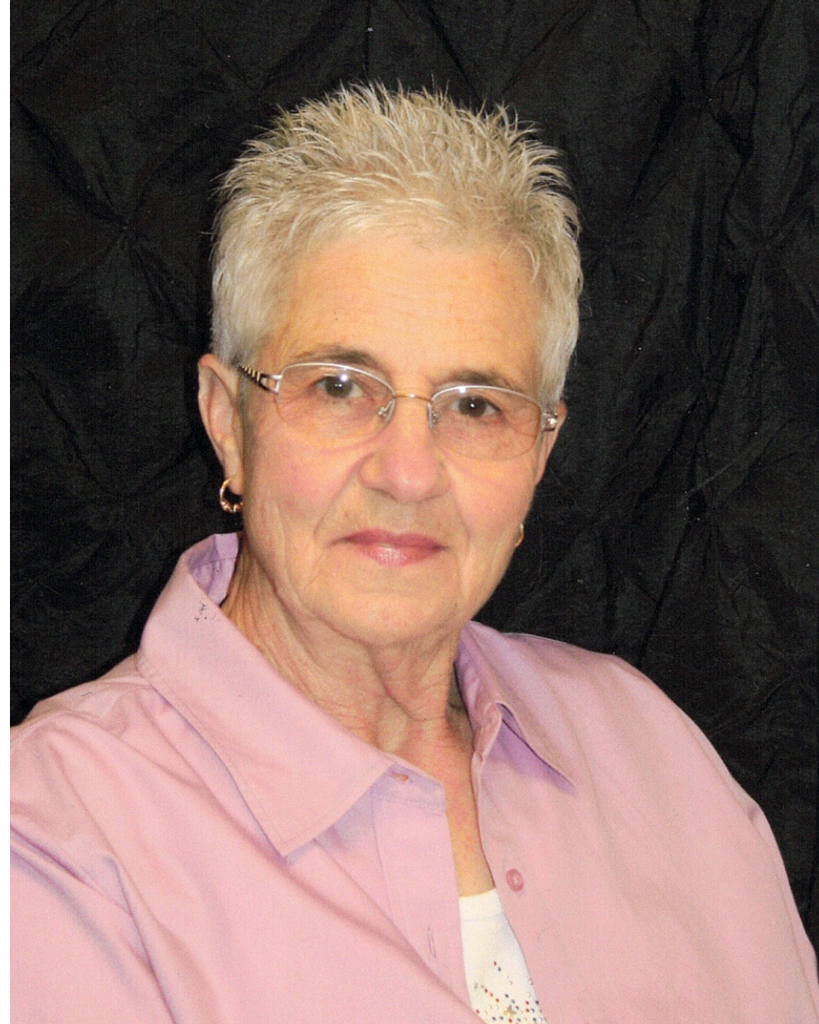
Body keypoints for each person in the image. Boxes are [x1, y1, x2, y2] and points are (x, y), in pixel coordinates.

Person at [11, 84, 818, 1023]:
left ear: (540, 453)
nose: (406, 473)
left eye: (475, 405)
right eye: (338, 386)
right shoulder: (55, 837)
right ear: (228, 422)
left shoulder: (648, 751)